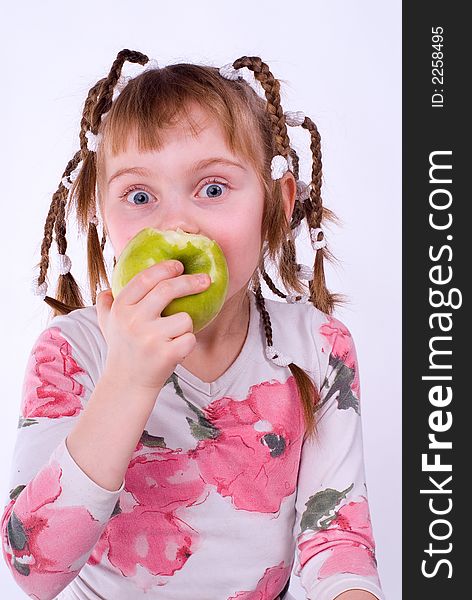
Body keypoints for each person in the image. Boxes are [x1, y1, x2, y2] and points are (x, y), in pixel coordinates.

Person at [1, 49, 385, 600]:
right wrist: (128, 381)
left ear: (274, 203)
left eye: (212, 188)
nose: (175, 224)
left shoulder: (317, 348)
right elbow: (33, 568)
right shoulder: (72, 352)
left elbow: (335, 540)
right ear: (101, 214)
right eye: (139, 196)